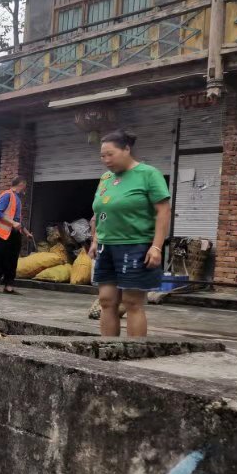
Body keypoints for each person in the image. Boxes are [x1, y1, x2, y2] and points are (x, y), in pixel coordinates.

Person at [88, 130, 171, 337]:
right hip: (107, 246)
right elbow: (100, 211)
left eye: (110, 154)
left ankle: (134, 355)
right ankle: (109, 349)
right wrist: (95, 240)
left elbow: (163, 210)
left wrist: (157, 246)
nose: (106, 160)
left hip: (136, 245)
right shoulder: (106, 178)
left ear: (127, 149)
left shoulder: (148, 174)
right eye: (102, 156)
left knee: (132, 302)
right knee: (107, 300)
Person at [0, 177, 33, 295]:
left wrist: (26, 232)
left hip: (14, 233)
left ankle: (8, 286)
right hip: (3, 233)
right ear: (21, 184)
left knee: (12, 260)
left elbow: (17, 220)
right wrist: (13, 223)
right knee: (0, 259)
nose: (25, 188)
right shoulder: (7, 195)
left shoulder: (17, 198)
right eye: (24, 185)